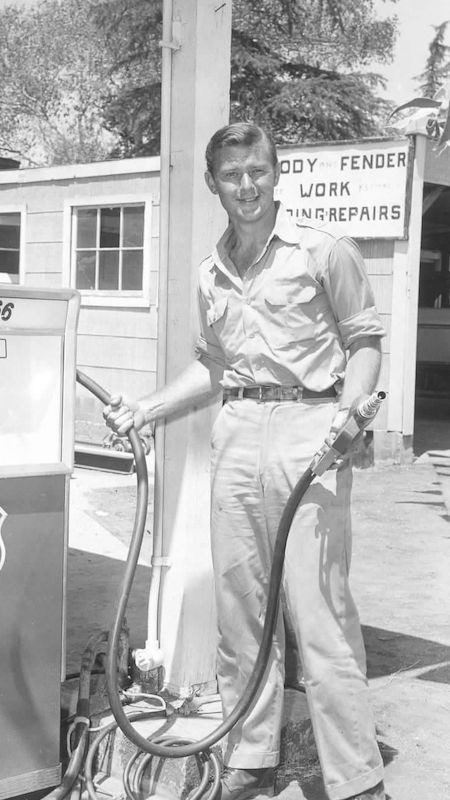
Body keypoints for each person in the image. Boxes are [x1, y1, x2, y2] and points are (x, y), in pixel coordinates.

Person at [103, 122, 387, 800]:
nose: (247, 185)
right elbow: (212, 368)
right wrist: (146, 409)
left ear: (275, 173)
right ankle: (251, 757)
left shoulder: (324, 252)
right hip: (235, 432)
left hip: (308, 428)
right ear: (214, 184)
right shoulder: (211, 272)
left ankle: (357, 778)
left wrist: (349, 414)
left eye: (258, 170)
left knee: (319, 616)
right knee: (240, 614)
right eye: (233, 175)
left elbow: (366, 342)